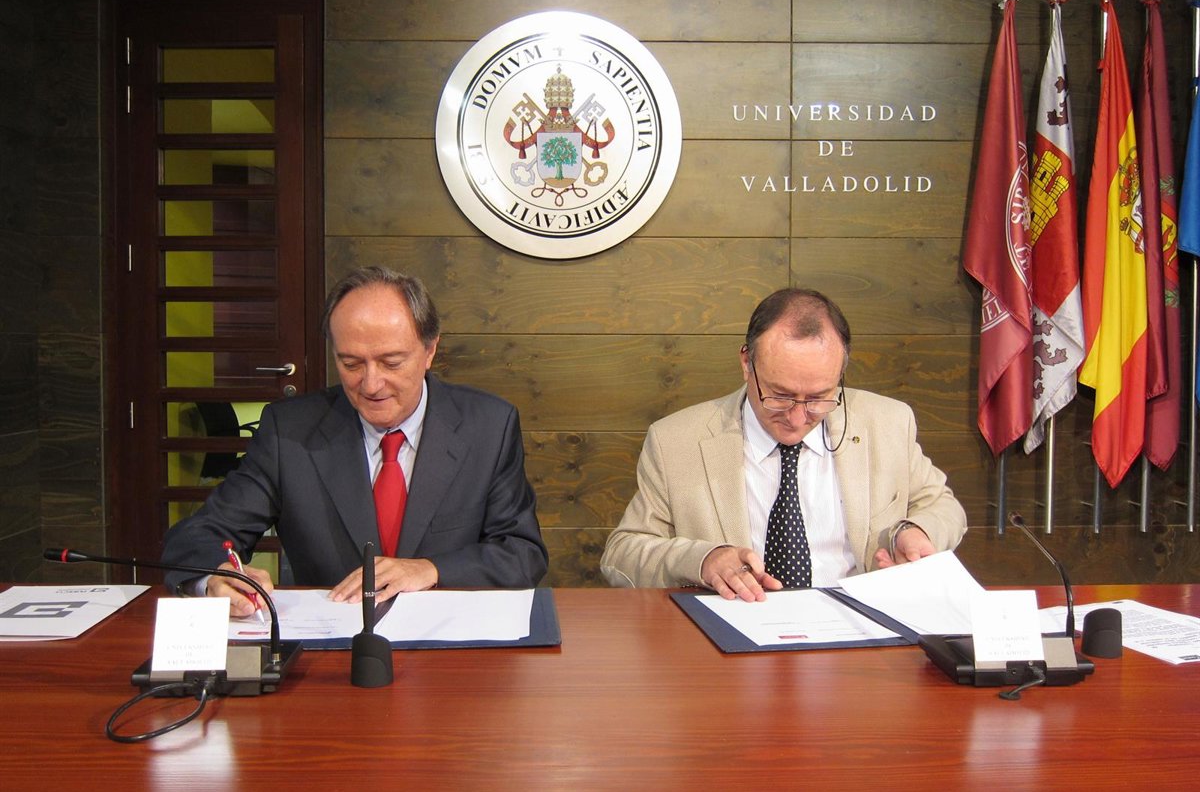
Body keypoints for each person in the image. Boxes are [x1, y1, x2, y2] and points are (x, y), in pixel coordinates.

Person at [162, 266, 548, 615]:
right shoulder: (290, 431)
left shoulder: (488, 426)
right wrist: (216, 576)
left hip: (449, 647)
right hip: (332, 645)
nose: (371, 384)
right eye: (351, 364)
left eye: (391, 363)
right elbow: (200, 536)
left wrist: (430, 569)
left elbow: (521, 553)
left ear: (430, 350)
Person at [600, 287, 966, 602]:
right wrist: (703, 560)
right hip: (734, 634)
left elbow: (944, 507)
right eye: (780, 396)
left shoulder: (887, 422)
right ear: (747, 363)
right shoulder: (676, 440)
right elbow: (621, 556)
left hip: (860, 632)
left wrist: (915, 533)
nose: (797, 417)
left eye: (819, 397)